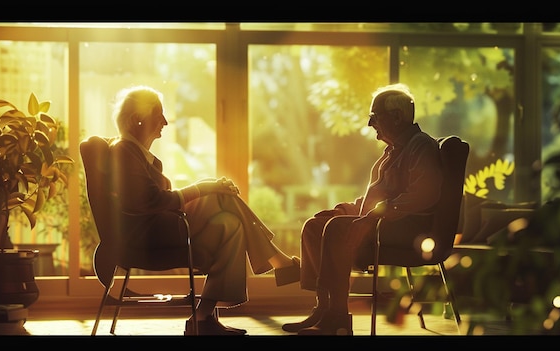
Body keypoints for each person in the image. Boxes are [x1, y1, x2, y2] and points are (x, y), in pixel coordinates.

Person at [109, 85, 300, 335]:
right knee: (218, 194)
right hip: (149, 235)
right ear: (138, 119)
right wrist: (203, 188)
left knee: (231, 226)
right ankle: (279, 261)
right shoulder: (124, 151)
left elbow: (155, 200)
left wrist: (206, 188)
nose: (165, 121)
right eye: (159, 113)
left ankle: (202, 318)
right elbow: (150, 201)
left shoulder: (136, 153)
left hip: (160, 228)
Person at [281, 83, 444, 335]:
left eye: (374, 116)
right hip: (385, 222)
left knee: (335, 230)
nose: (370, 124)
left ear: (397, 117)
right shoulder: (391, 152)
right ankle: (323, 308)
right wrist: (345, 210)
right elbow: (376, 197)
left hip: (407, 229)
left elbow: (424, 194)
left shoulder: (421, 146)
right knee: (316, 225)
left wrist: (373, 216)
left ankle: (336, 318)